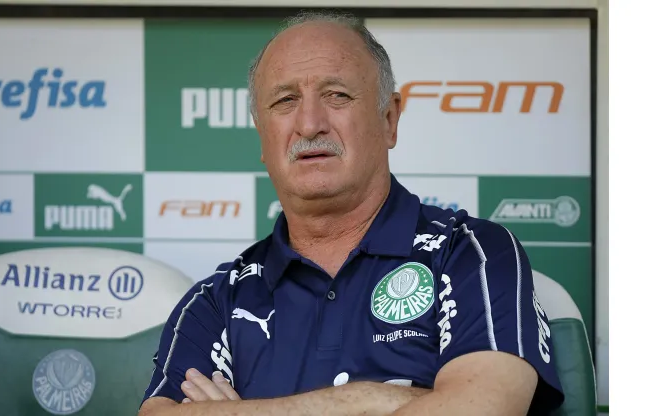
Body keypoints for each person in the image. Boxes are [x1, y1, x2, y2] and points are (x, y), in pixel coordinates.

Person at [138, 11, 564, 416]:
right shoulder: (216, 301)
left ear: (389, 120)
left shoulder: (473, 254)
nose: (309, 124)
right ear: (262, 137)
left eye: (336, 95)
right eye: (285, 100)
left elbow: (483, 408)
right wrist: (369, 400)